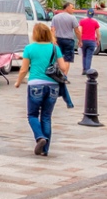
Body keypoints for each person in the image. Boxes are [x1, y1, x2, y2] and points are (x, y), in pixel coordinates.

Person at [15, 22, 69, 156]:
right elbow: (63, 68)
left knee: (32, 115)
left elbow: (23, 69)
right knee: (46, 117)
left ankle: (40, 137)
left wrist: (18, 82)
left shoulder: (29, 48)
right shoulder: (55, 48)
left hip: (35, 85)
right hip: (53, 86)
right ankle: (45, 150)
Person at [79, 7, 101, 75]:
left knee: (84, 55)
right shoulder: (95, 22)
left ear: (87, 13)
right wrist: (98, 40)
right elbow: (98, 33)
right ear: (93, 14)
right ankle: (88, 69)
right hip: (91, 41)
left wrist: (79, 40)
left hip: (84, 40)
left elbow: (80, 31)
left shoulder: (82, 21)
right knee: (89, 56)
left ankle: (84, 69)